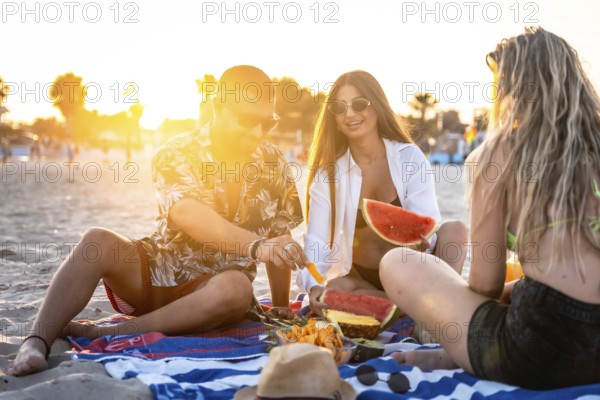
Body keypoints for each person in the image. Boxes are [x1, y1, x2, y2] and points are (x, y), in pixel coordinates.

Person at [9, 65, 309, 377]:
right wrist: (256, 246)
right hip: (157, 271)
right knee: (97, 240)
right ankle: (36, 340)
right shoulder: (178, 150)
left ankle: (106, 334)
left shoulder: (273, 162)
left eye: (267, 122)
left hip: (216, 293)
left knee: (237, 286)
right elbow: (187, 213)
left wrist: (279, 303)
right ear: (220, 107)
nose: (258, 132)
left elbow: (280, 235)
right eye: (248, 120)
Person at [380, 27, 600, 389]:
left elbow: (485, 283)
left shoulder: (498, 154)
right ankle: (456, 352)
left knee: (397, 263)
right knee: (522, 284)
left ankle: (461, 347)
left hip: (533, 354)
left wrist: (454, 302)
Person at [298, 70, 467, 318]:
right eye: (340, 108)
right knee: (334, 290)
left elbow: (427, 221)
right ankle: (420, 308)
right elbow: (316, 244)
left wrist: (424, 241)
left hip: (412, 270)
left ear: (376, 106)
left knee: (456, 231)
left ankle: (410, 306)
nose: (350, 114)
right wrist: (312, 286)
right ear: (333, 118)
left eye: (359, 104)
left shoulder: (409, 157)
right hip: (361, 280)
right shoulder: (328, 176)